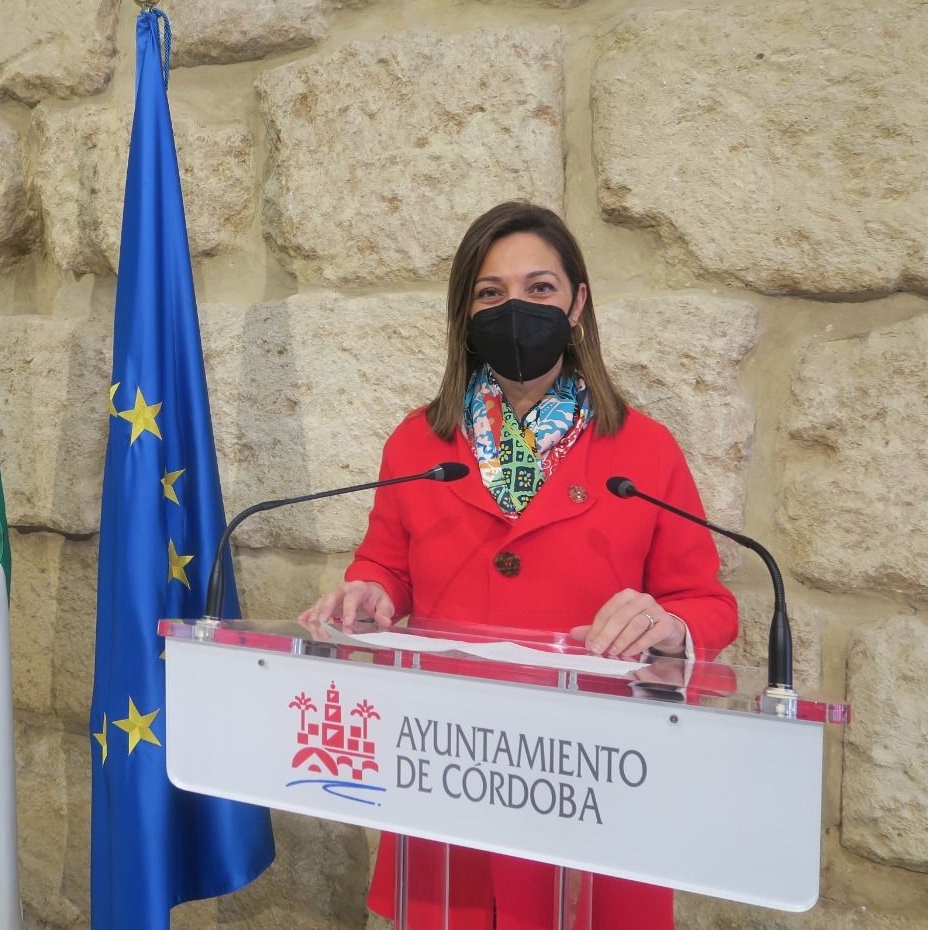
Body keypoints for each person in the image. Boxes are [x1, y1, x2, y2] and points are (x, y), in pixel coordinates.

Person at [299, 201, 738, 930]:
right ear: (464, 313)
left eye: (540, 288)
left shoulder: (643, 448)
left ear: (577, 304)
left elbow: (708, 604)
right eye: (490, 293)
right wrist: (369, 593)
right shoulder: (417, 443)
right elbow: (384, 568)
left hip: (595, 785)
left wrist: (669, 625)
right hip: (450, 774)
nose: (516, 308)